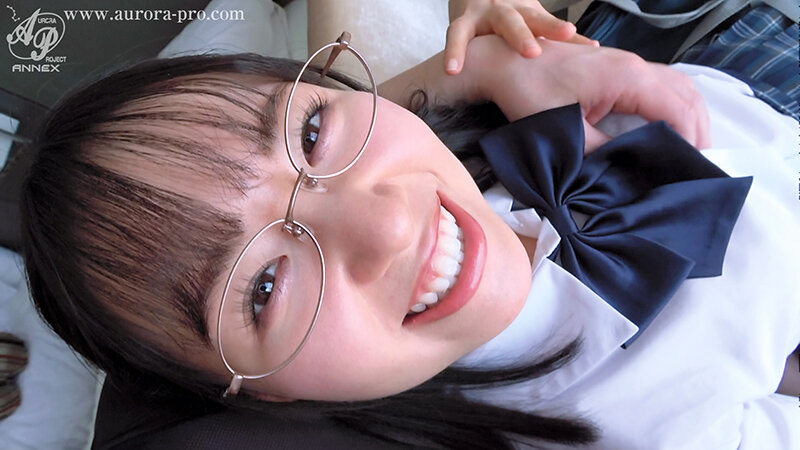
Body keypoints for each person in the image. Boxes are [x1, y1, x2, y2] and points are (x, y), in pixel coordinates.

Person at [20, 0, 799, 448]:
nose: (391, 225)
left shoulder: (431, 137)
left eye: (310, 134)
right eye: (262, 288)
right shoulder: (644, 428)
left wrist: (493, 60)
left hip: (726, 59)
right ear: (261, 397)